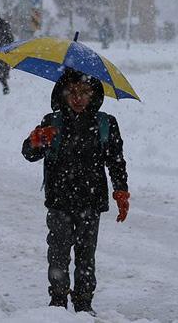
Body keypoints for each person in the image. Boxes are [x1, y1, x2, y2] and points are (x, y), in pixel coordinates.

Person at [21, 68, 130, 315]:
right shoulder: (53, 121)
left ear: (94, 95)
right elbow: (29, 154)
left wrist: (121, 191)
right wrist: (36, 140)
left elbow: (116, 160)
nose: (78, 98)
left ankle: (83, 305)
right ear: (63, 93)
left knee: (85, 256)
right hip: (59, 200)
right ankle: (58, 303)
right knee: (58, 254)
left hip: (91, 202)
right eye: (72, 92)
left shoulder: (105, 124)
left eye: (84, 92)